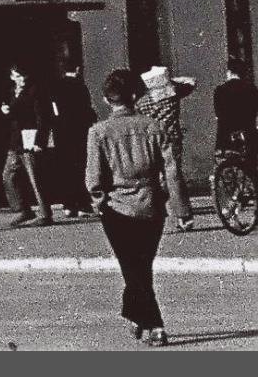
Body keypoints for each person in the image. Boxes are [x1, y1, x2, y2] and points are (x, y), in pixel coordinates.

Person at [87, 68, 175, 347]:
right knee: (141, 266)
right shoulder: (154, 127)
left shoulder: (98, 132)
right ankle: (138, 315)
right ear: (136, 96)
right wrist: (179, 208)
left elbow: (93, 178)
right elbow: (171, 171)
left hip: (117, 209)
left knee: (132, 268)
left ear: (106, 100)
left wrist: (100, 203)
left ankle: (154, 324)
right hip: (152, 206)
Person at [137, 65, 196, 232]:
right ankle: (183, 216)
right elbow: (192, 82)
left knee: (155, 178)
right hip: (171, 139)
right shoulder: (173, 94)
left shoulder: (143, 101)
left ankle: (150, 209)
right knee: (174, 176)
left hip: (151, 141)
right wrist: (171, 81)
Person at [1, 65, 53, 226]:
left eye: (23, 76)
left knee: (35, 177)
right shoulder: (12, 92)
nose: (22, 79)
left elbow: (42, 117)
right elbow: (14, 115)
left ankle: (45, 214)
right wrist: (6, 111)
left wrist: (39, 141)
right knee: (9, 175)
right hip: (16, 140)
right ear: (12, 77)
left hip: (30, 138)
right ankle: (24, 209)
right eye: (18, 76)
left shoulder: (34, 92)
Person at [48, 59, 99, 218]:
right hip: (79, 131)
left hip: (61, 132)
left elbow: (54, 110)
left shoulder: (56, 87)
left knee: (65, 168)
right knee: (80, 167)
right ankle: (83, 204)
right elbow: (87, 109)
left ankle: (68, 204)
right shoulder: (80, 86)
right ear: (77, 69)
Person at [212, 59, 258, 156]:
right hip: (248, 139)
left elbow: (218, 115)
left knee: (227, 164)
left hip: (226, 141)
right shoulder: (252, 90)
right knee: (249, 162)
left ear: (229, 72)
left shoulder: (220, 91)